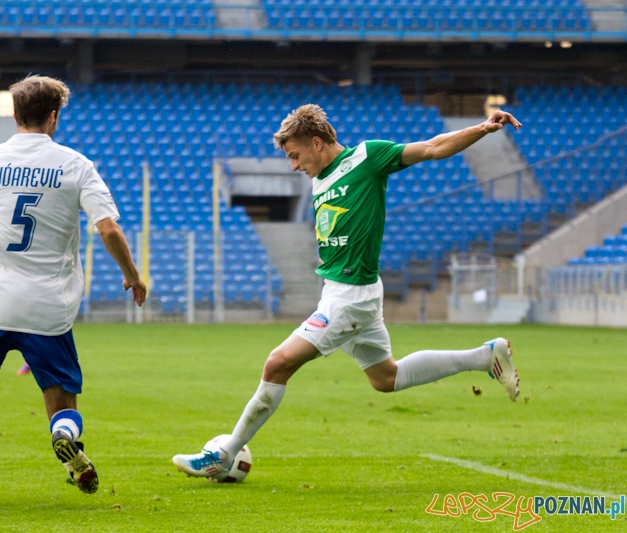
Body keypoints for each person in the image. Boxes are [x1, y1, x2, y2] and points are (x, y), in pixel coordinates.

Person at [172, 104, 522, 479]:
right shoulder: (319, 178)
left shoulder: (367, 157)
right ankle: (485, 357)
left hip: (351, 295)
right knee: (385, 378)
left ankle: (223, 454)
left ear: (318, 143)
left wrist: (483, 129)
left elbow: (433, 147)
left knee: (277, 363)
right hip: (344, 292)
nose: (293, 165)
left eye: (295, 155)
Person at [0, 75, 146, 507]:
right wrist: (132, 275)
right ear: (54, 117)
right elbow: (107, 228)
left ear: (14, 114)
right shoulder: (76, 165)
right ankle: (64, 436)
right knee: (63, 402)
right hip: (49, 309)